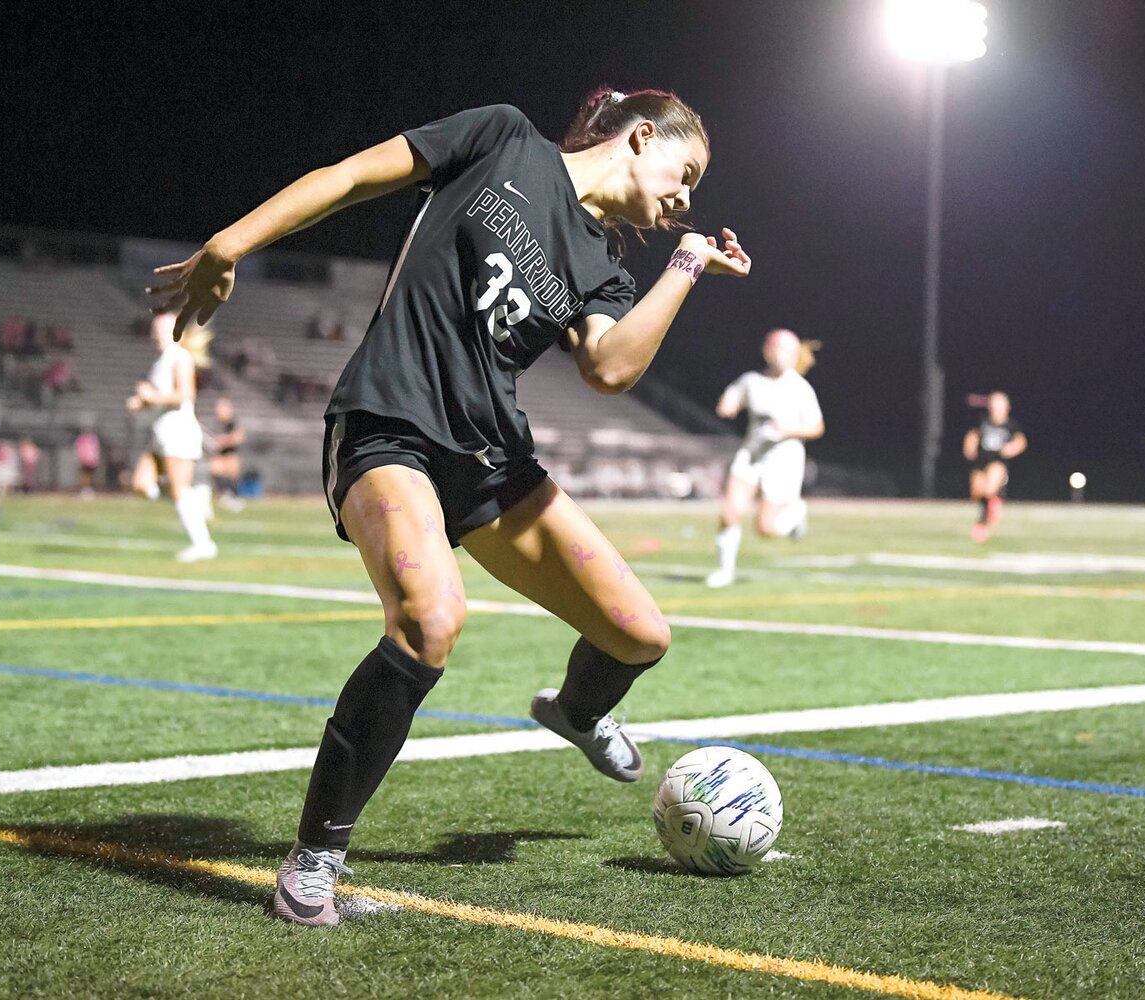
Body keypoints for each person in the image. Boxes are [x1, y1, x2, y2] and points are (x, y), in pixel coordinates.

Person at [150, 89, 747, 926]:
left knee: (641, 634)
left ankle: (574, 711)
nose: (686, 196)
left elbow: (611, 369)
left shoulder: (604, 265)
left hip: (491, 463)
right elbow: (353, 177)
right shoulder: (503, 138)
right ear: (640, 136)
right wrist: (232, 241)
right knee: (431, 620)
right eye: (685, 173)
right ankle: (314, 858)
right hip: (388, 426)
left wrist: (685, 265)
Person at [705, 328, 824, 587]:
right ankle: (725, 571)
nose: (785, 356)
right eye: (781, 349)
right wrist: (728, 404)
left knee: (766, 529)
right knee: (729, 512)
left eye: (791, 351)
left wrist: (788, 429)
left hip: (784, 461)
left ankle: (796, 513)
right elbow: (732, 397)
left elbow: (817, 427)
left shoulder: (799, 388)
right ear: (767, 351)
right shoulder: (752, 380)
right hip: (751, 454)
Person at [127, 314, 218, 561]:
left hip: (178, 430)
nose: (153, 334)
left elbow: (186, 394)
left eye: (159, 329)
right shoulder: (162, 360)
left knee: (178, 489)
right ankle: (193, 501)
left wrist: (151, 397)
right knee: (141, 484)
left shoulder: (180, 357)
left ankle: (203, 544)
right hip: (161, 431)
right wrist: (142, 402)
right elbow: (161, 396)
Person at [963, 391, 1026, 542]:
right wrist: (969, 446)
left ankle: (981, 524)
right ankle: (995, 500)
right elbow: (973, 435)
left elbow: (1020, 441)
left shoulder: (1011, 424)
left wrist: (1012, 448)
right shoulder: (983, 421)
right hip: (981, 461)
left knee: (990, 487)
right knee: (977, 493)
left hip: (998, 462)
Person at [208, 397, 247, 511]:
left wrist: (223, 441)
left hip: (230, 456)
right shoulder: (217, 423)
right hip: (220, 456)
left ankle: (234, 497)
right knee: (213, 467)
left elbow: (238, 437)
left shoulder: (232, 422)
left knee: (223, 468)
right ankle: (224, 495)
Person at [75, 427, 102, 498]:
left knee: (91, 476)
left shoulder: (93, 439)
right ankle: (84, 489)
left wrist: (96, 458)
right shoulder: (81, 439)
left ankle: (89, 489)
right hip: (84, 460)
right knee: (84, 476)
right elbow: (79, 450)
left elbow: (96, 450)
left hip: (91, 460)